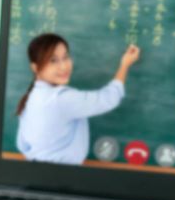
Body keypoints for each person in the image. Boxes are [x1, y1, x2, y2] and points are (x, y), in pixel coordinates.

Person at [16, 33, 140, 165]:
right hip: (59, 177)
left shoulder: (31, 97)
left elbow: (22, 144)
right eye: (53, 60)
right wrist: (125, 64)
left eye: (65, 57)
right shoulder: (60, 99)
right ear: (35, 68)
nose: (64, 66)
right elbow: (109, 98)